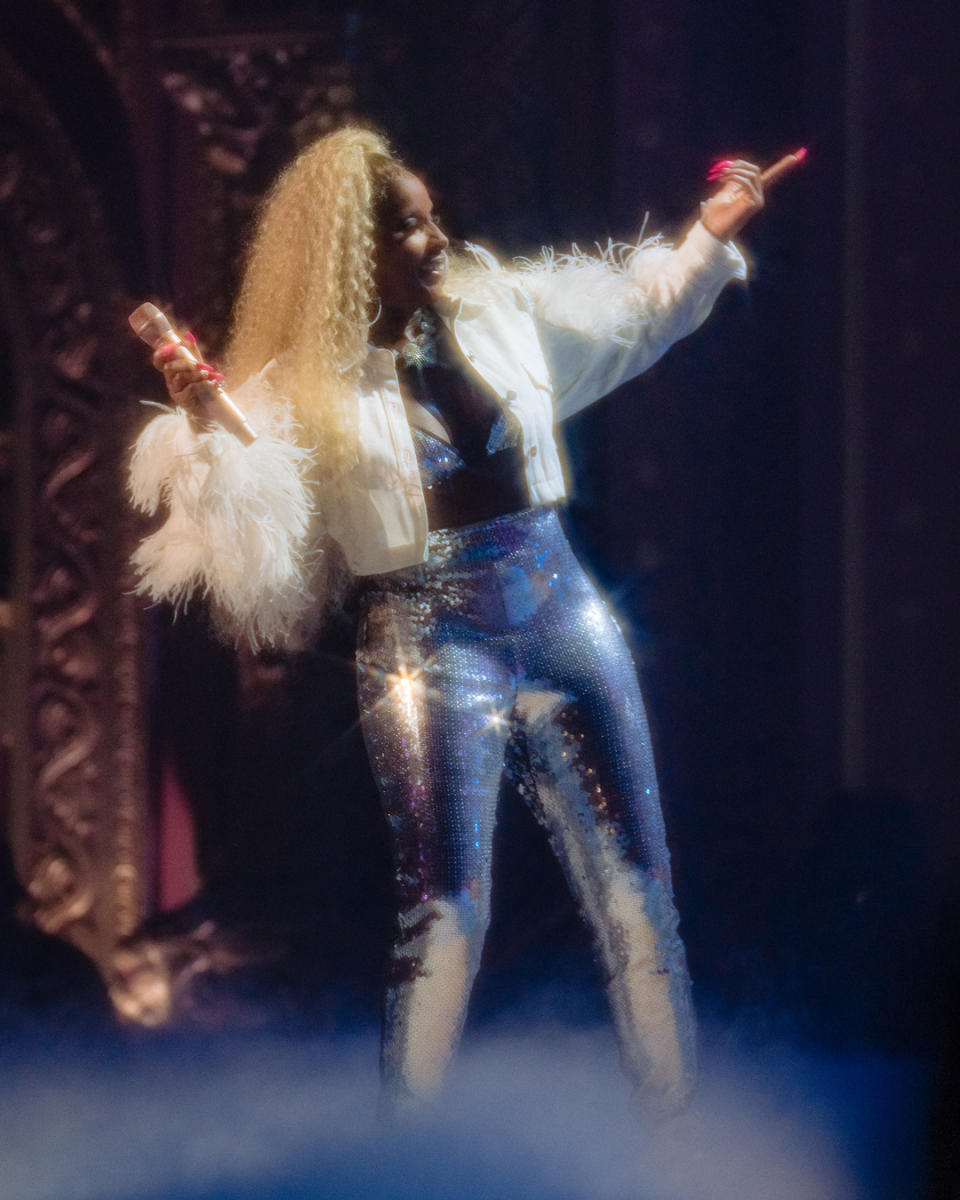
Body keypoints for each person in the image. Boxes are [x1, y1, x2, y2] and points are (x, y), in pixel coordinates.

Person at [129, 126, 772, 1115]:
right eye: (406, 229)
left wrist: (706, 232)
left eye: (433, 221)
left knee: (641, 899)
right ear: (354, 254)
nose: (433, 241)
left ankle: (673, 1140)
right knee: (444, 915)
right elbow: (248, 523)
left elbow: (637, 311)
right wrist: (208, 427)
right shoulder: (312, 383)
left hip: (562, 604)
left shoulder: (501, 309)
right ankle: (406, 1157)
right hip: (428, 637)